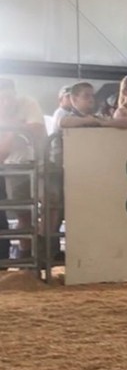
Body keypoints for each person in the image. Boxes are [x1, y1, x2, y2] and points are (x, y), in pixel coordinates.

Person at [0, 78, 46, 258]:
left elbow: (36, 130)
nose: (6, 102)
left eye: (9, 96)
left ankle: (46, 253)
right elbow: (2, 154)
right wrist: (14, 128)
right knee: (23, 214)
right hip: (14, 167)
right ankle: (27, 257)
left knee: (51, 209)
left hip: (40, 162)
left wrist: (10, 126)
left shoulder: (28, 102)